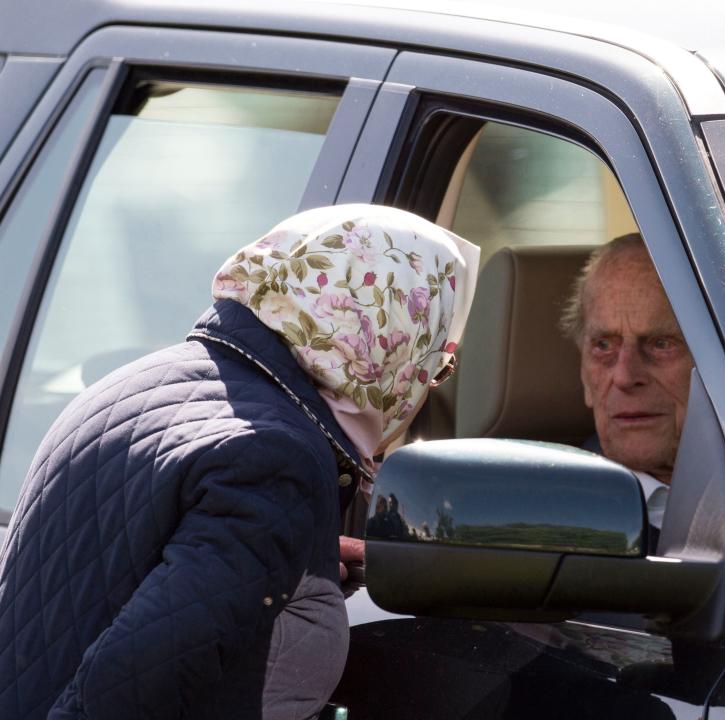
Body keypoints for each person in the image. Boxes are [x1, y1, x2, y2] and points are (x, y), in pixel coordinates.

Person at [0, 204, 479, 720]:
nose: (428, 383)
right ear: (388, 342)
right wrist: (275, 525)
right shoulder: (278, 459)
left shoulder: (138, 383)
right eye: (436, 361)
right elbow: (130, 686)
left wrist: (287, 558)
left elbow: (125, 571)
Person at [560, 233, 694, 532]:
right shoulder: (554, 518)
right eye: (604, 346)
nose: (624, 376)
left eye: (661, 344)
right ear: (584, 376)